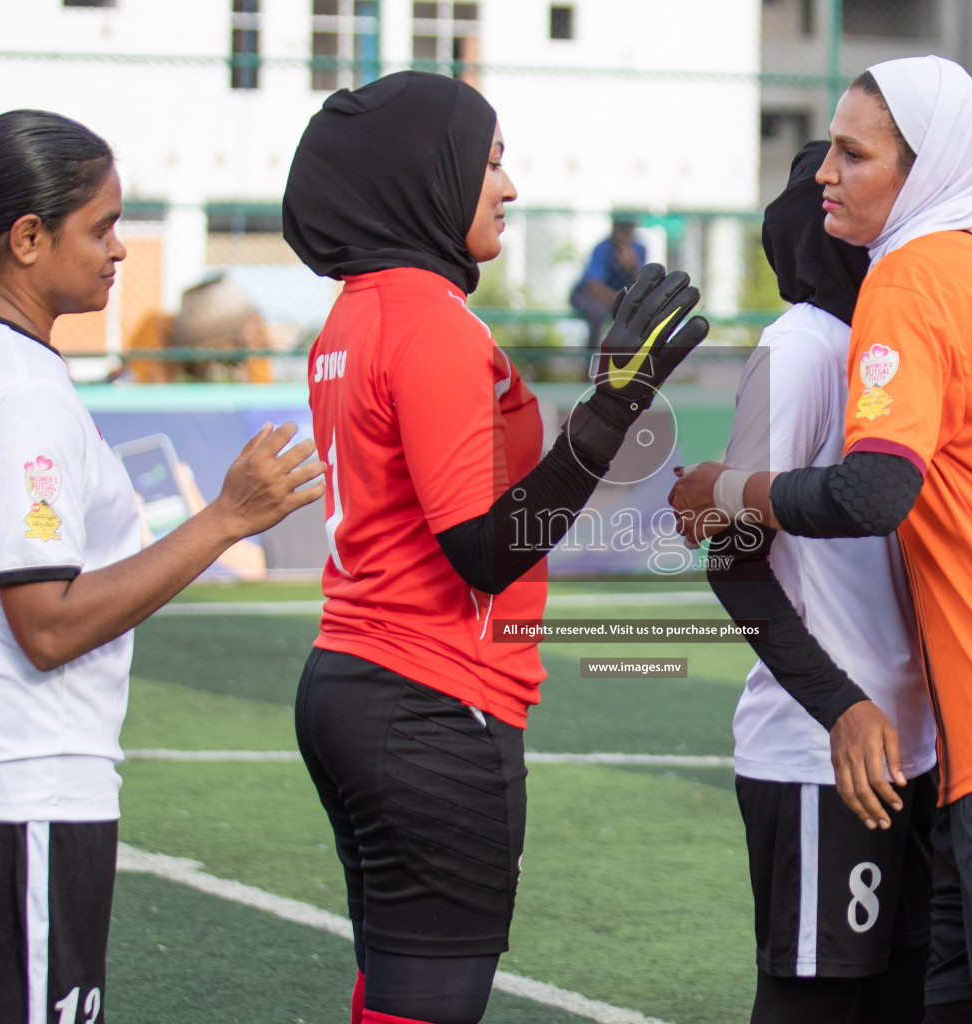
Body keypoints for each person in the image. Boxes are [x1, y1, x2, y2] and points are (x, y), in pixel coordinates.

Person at [670, 56, 972, 1024]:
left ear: (924, 172)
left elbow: (876, 489)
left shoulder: (910, 274)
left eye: (854, 153)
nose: (825, 174)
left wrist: (727, 488)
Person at [0, 110, 324, 1024]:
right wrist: (227, 519)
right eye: (103, 226)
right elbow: (48, 624)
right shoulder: (15, 388)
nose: (121, 249)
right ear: (27, 239)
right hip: (12, 774)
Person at [281, 72, 708, 1024]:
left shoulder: (357, 313)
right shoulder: (428, 318)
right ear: (422, 175)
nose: (508, 187)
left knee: (392, 985)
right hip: (429, 695)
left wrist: (601, 410)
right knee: (429, 999)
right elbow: (485, 547)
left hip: (361, 676)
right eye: (490, 160)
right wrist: (613, 411)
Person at [703, 140, 938, 1024]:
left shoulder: (896, 342)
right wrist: (839, 704)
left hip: (917, 745)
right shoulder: (800, 344)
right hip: (823, 753)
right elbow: (729, 554)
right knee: (819, 1004)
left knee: (906, 996)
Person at [570, 214, 646, 346]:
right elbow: (593, 287)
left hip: (621, 297)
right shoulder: (603, 248)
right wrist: (621, 299)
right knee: (598, 311)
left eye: (628, 230)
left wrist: (632, 267)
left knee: (640, 313)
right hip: (591, 296)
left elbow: (641, 285)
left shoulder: (639, 249)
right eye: (621, 229)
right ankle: (590, 359)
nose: (624, 234)